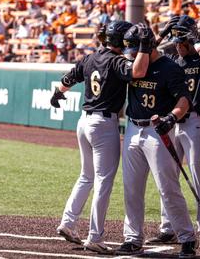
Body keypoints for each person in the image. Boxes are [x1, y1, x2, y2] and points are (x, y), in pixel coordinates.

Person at [50, 21, 150, 254]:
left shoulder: (90, 58)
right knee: (103, 181)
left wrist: (57, 94)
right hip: (103, 123)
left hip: (84, 122)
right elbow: (138, 72)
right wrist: (145, 46)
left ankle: (68, 222)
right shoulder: (117, 61)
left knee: (86, 176)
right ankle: (95, 236)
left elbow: (68, 79)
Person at [115, 24, 197, 259]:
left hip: (157, 131)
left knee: (167, 187)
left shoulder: (169, 68)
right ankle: (132, 238)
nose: (130, 53)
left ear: (148, 46)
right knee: (131, 188)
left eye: (134, 48)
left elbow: (184, 100)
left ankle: (187, 238)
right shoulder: (133, 65)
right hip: (133, 128)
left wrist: (171, 118)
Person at [144, 15, 200, 249]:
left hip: (194, 123)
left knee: (199, 176)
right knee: (167, 175)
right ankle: (168, 228)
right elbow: (147, 54)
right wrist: (164, 33)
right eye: (176, 41)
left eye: (181, 41)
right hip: (172, 122)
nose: (177, 45)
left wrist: (196, 41)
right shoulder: (172, 61)